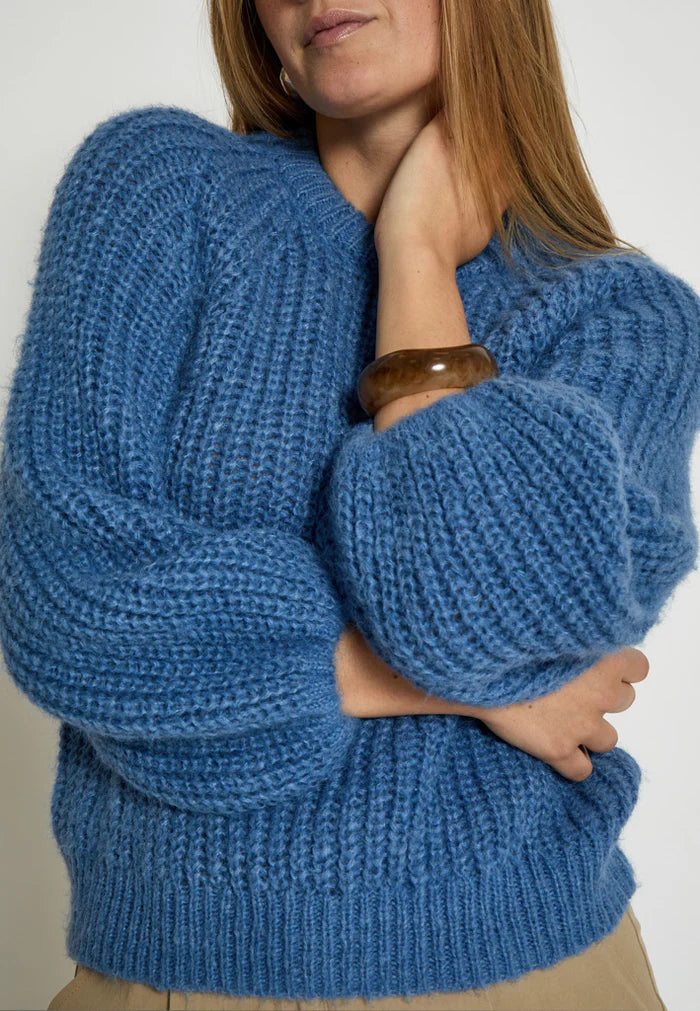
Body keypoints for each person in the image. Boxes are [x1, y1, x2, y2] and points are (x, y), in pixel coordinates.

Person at [1, 0, 694, 1008]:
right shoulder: (157, 189)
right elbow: (64, 605)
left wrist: (413, 251)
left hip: (537, 973)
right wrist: (474, 685)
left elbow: (505, 610)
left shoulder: (626, 319)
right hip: (171, 975)